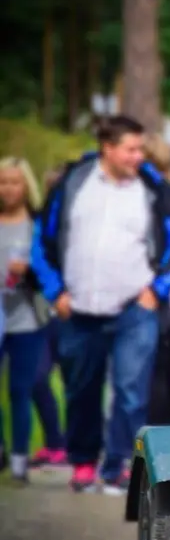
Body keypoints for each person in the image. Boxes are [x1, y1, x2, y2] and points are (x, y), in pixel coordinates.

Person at [31, 115, 170, 494]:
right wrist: (55, 291)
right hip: (78, 310)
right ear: (107, 147)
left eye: (141, 148)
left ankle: (119, 464)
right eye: (131, 149)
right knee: (81, 388)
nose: (139, 156)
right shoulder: (74, 184)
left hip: (134, 310)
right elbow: (43, 240)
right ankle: (84, 463)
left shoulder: (153, 190)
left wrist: (156, 289)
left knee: (130, 389)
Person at [0, 157, 50, 482]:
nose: (8, 189)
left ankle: (19, 455)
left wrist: (29, 271)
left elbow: (50, 272)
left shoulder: (38, 225)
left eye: (14, 182)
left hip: (27, 319)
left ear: (25, 185)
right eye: (3, 181)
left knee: (21, 389)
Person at [27, 166, 69, 469]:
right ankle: (55, 442)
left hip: (75, 316)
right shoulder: (39, 222)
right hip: (41, 315)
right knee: (37, 377)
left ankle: (81, 447)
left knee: (77, 384)